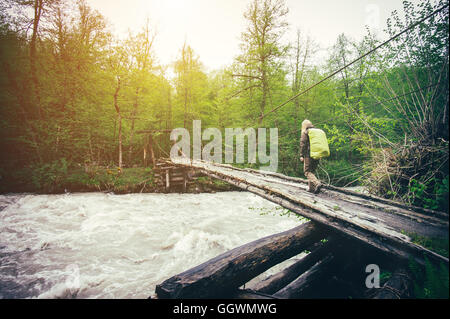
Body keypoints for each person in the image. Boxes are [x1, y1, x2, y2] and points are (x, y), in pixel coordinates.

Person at [300, 119, 322, 194]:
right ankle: (311, 188)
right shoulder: (316, 132)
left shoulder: (305, 132)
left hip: (308, 155)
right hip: (317, 154)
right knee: (312, 171)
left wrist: (301, 155)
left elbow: (303, 145)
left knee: (307, 172)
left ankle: (317, 183)